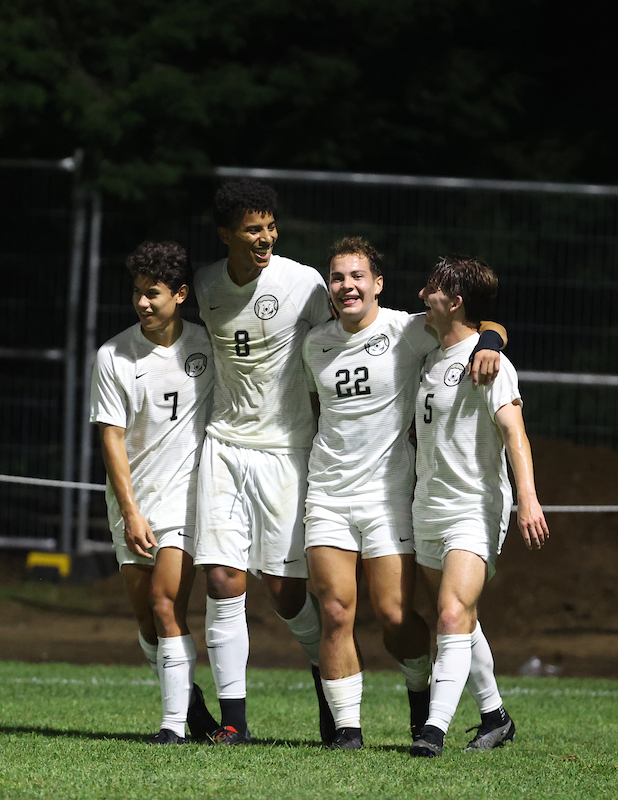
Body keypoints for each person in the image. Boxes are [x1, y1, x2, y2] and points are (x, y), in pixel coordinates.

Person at [302, 237, 509, 750]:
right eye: (337, 277)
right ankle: (346, 731)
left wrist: (491, 344)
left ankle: (421, 696)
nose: (346, 286)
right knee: (334, 612)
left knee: (395, 616)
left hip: (388, 496)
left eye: (356, 276)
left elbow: (478, 322)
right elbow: (315, 412)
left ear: (377, 284)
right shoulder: (315, 344)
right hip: (327, 492)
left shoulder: (406, 330)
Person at [192, 180, 335, 744]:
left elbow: (338, 346)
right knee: (223, 579)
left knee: (285, 592)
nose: (266, 238)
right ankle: (235, 724)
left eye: (271, 226)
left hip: (287, 451)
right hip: (224, 446)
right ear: (226, 233)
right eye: (253, 229)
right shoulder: (204, 284)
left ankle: (331, 684)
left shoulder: (304, 283)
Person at [408, 254, 550, 758]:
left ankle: (433, 730)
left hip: (475, 508)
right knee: (461, 619)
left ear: (456, 300)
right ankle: (495, 717)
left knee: (450, 614)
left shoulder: (492, 362)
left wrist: (527, 500)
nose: (423, 294)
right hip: (427, 508)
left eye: (433, 288)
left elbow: (515, 433)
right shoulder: (427, 354)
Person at [89, 240, 220, 744]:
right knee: (147, 620)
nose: (143, 303)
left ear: (181, 294)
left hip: (185, 495)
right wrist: (129, 509)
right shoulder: (114, 355)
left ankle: (171, 728)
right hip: (132, 500)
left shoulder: (208, 346)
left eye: (154, 294)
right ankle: (192, 706)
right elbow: (111, 437)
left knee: (167, 605)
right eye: (138, 294)